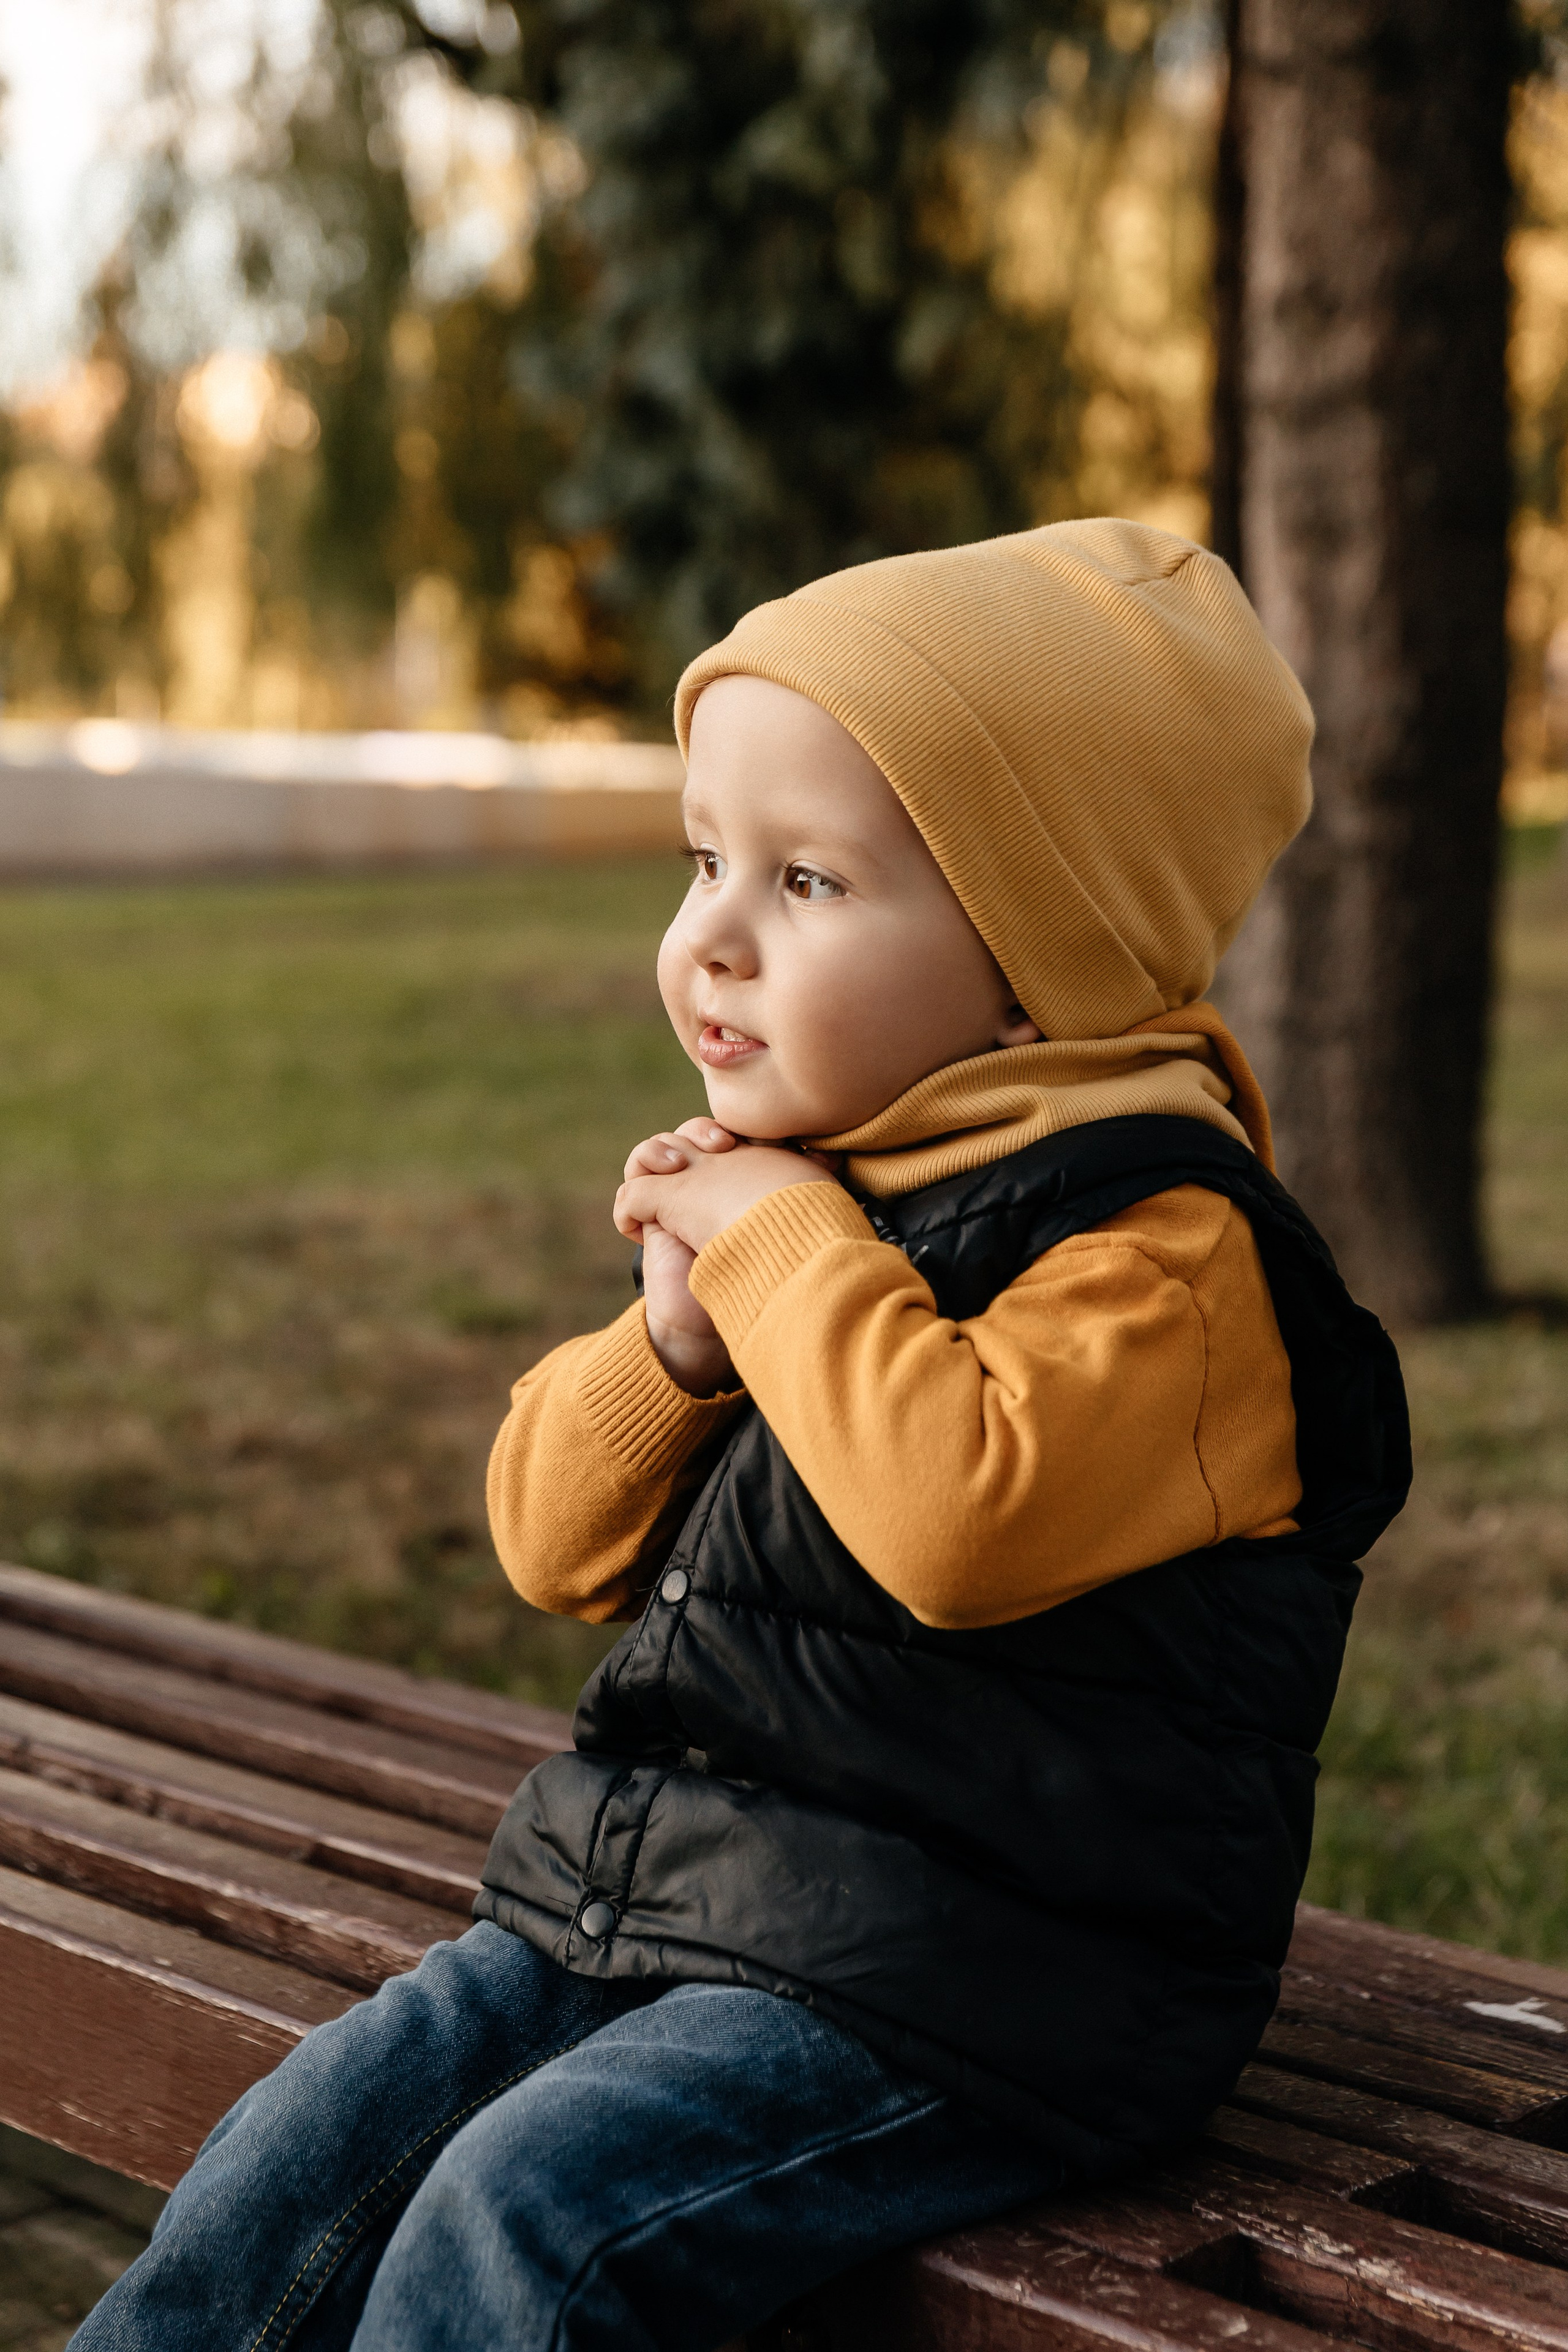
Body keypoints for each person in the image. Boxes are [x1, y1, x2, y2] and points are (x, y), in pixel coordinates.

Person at [73, 520, 1409, 2352]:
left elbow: (956, 1517)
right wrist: (675, 1344)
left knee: (528, 2220)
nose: (707, 937)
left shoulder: (1173, 1261)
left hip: (990, 1975)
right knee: (291, 2164)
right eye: (708, 860)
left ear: (1040, 960)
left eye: (807, 882)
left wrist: (783, 1252)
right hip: (668, 1892)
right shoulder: (828, 1192)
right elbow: (548, 1544)